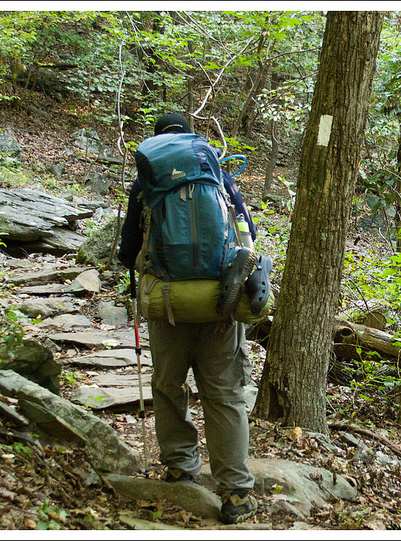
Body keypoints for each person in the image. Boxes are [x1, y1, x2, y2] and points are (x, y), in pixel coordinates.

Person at [118, 112, 258, 524]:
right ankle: (235, 493)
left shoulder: (147, 180)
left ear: (157, 140)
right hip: (219, 304)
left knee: (168, 385)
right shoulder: (216, 173)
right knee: (225, 395)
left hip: (169, 305)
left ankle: (180, 465)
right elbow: (246, 233)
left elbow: (127, 251)